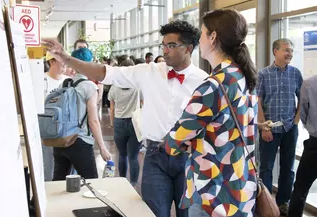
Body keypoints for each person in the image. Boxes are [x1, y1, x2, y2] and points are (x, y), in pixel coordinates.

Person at [43, 20, 208, 217]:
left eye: (171, 46)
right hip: (155, 155)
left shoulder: (204, 80)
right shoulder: (149, 71)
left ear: (189, 48)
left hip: (189, 158)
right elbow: (105, 72)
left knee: (188, 213)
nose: (165, 50)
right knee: (153, 213)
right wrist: (66, 57)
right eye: (163, 45)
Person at [163, 9, 258, 216]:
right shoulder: (244, 77)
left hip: (213, 192)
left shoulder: (213, 86)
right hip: (240, 187)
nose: (200, 40)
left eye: (203, 33)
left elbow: (175, 140)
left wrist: (183, 141)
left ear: (213, 37)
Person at [257, 38, 303, 216]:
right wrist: (264, 128)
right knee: (266, 167)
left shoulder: (295, 73)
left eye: (291, 51)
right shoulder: (263, 74)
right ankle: (266, 204)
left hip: (290, 128)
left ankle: (283, 202)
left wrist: (296, 121)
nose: (289, 54)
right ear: (275, 51)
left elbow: (301, 98)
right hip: (270, 128)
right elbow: (258, 101)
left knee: (288, 167)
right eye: (286, 50)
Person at [52, 48, 111, 181]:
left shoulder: (65, 83)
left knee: (60, 183)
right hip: (80, 141)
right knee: (91, 182)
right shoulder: (89, 86)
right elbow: (93, 121)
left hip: (61, 140)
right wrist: (102, 148)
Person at [108, 59, 143, 186]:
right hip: (136, 123)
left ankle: (122, 182)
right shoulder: (138, 86)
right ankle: (133, 184)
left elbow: (112, 107)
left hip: (119, 122)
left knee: (122, 155)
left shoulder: (114, 87)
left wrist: (112, 123)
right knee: (133, 156)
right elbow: (143, 104)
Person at [288, 75, 317, 217]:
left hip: (315, 143)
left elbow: (303, 113)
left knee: (300, 188)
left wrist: (311, 127)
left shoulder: (309, 83)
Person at [42, 52, 69, 181]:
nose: (64, 65)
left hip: (64, 130)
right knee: (48, 164)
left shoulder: (67, 81)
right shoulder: (41, 80)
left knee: (63, 166)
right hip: (47, 129)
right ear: (51, 62)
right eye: (61, 62)